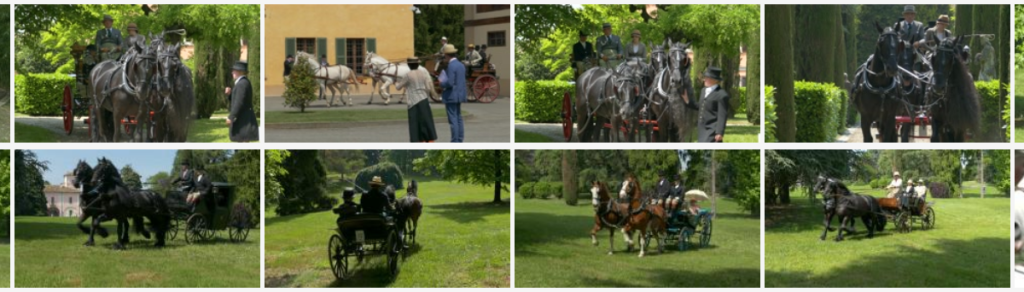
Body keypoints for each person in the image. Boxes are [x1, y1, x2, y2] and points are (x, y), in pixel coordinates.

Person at [394, 57, 438, 142]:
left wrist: (395, 82)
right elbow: (428, 87)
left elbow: (398, 87)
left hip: (413, 101)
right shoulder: (423, 73)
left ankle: (417, 140)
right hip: (424, 99)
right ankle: (428, 139)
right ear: (418, 64)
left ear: (409, 65)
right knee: (426, 121)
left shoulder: (408, 75)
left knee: (415, 123)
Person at [684, 66, 730, 142]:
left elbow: (722, 116)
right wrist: (687, 101)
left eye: (707, 78)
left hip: (712, 129)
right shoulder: (703, 91)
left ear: (714, 80)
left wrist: (719, 132)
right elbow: (701, 106)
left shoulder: (722, 95)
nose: (704, 79)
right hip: (701, 129)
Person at [224, 61, 259, 142]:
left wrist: (231, 117)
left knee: (242, 142)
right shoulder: (243, 82)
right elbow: (238, 99)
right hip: (244, 119)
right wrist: (230, 94)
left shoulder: (242, 84)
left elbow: (239, 103)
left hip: (243, 120)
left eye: (234, 70)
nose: (232, 72)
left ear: (240, 71)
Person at [439, 44, 467, 142]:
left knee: (453, 120)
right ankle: (460, 138)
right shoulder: (461, 65)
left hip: (451, 95)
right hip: (459, 94)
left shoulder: (451, 66)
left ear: (447, 55)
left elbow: (450, 82)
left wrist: (442, 84)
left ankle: (455, 140)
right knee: (459, 117)